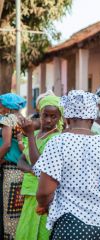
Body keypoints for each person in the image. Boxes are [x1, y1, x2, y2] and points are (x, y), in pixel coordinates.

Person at [33, 90, 100, 240]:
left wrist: (44, 205)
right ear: (92, 118)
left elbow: (44, 192)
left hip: (71, 224)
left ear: (67, 117)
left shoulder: (58, 142)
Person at [16, 95, 63, 240]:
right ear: (40, 114)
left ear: (59, 118)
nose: (49, 120)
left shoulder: (56, 138)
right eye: (45, 115)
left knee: (42, 232)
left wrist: (29, 135)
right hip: (30, 191)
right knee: (27, 230)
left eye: (53, 116)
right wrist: (34, 171)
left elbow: (38, 164)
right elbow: (21, 162)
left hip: (45, 194)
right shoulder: (36, 134)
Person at [0, 93, 26, 239]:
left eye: (2, 104)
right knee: (18, 207)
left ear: (7, 106)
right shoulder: (23, 120)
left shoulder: (7, 119)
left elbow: (7, 144)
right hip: (22, 169)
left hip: (10, 170)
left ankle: (10, 235)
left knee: (8, 209)